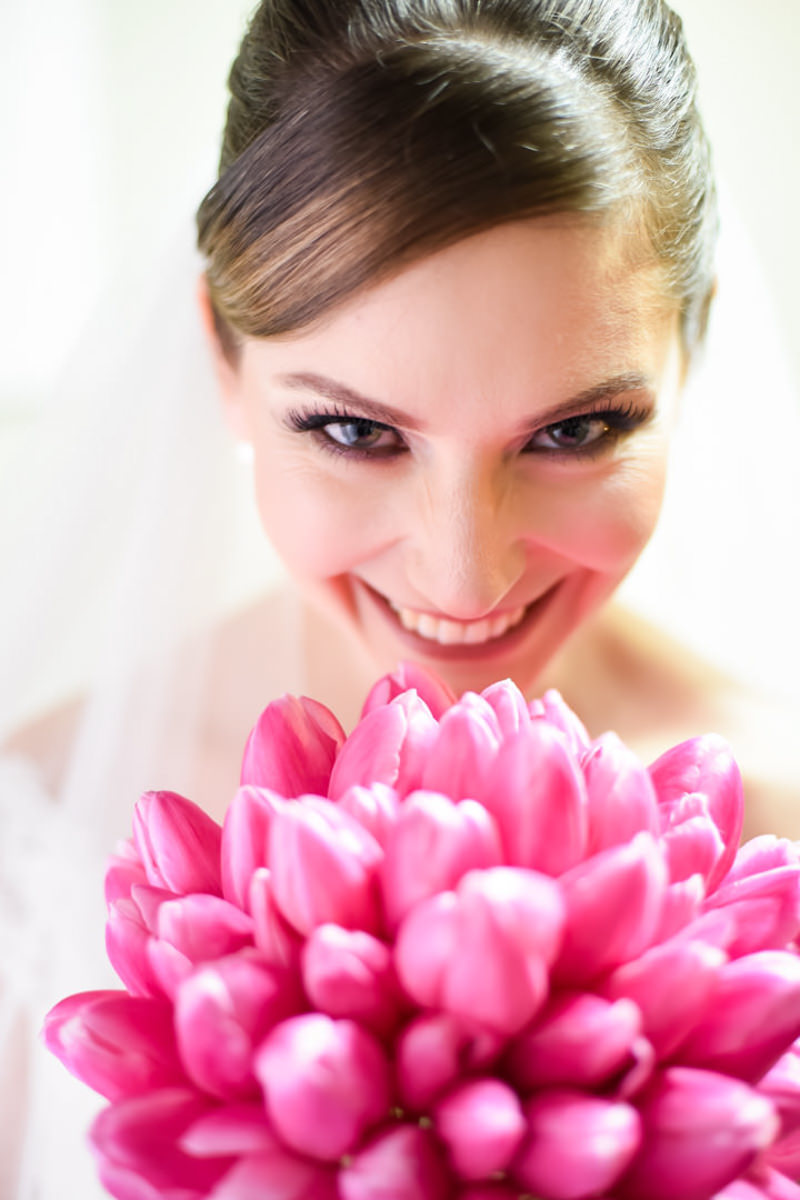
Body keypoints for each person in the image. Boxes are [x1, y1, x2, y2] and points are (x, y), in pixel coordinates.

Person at [1, 0, 799, 1196]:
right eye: (354, 431)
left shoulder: (779, 813)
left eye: (573, 430)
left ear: (692, 357)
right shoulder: (38, 842)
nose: (461, 580)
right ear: (221, 356)